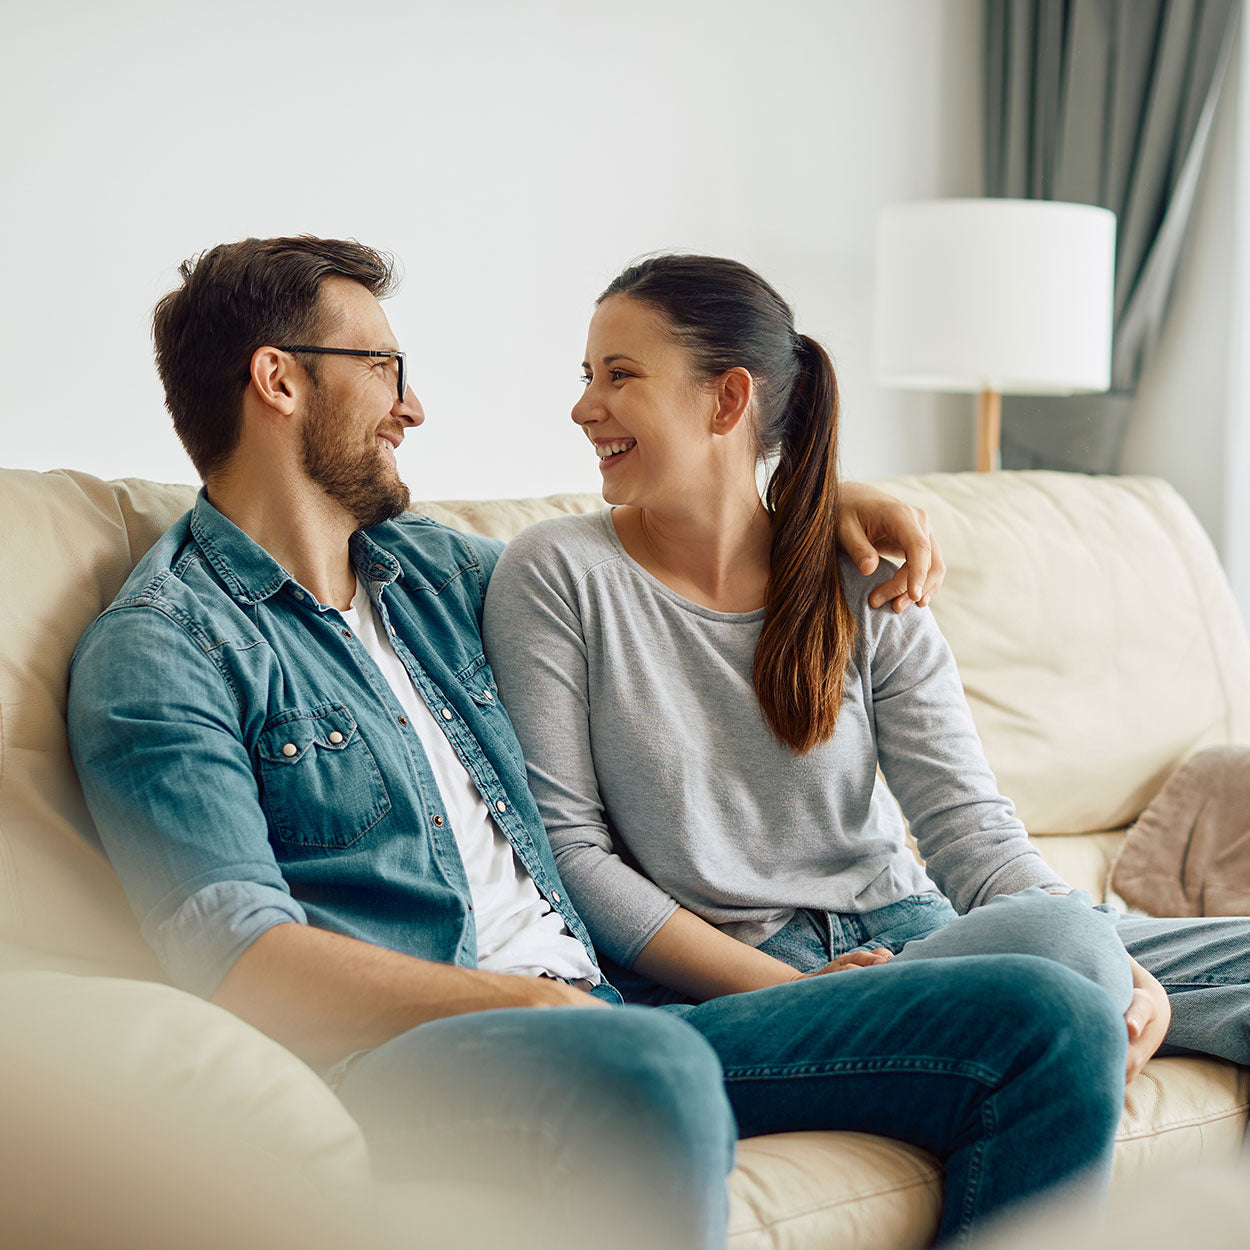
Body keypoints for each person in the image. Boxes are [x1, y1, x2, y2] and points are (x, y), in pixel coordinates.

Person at [68, 237, 1125, 1250]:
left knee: (1049, 1018)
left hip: (619, 1013)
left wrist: (810, 507)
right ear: (278, 380)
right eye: (385, 365)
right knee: (644, 1070)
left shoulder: (432, 571)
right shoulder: (163, 650)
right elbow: (237, 956)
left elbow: (660, 547)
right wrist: (523, 996)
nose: (413, 405)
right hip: (416, 1053)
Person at [480, 253, 1250, 1178]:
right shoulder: (556, 572)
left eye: (619, 377)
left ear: (727, 401)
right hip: (741, 972)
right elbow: (571, 855)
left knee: (1078, 935)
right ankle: (1071, 990)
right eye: (588, 377)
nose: (583, 407)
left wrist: (1111, 961)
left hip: (919, 928)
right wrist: (799, 990)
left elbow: (970, 829)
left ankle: (1088, 984)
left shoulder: (858, 573)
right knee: (1061, 947)